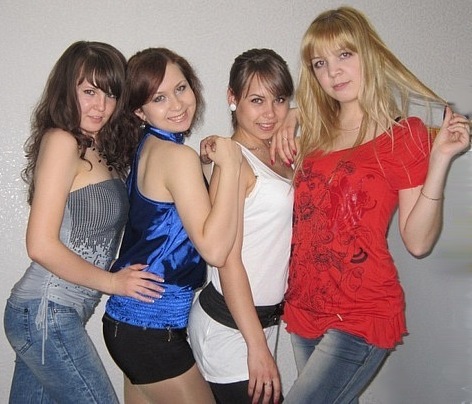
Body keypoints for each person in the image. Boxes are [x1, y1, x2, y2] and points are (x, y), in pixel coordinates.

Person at [270, 7, 471, 404]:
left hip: (362, 311)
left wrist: (440, 161)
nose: (333, 72)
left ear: (368, 53)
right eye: (320, 63)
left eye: (345, 55)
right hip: (304, 306)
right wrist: (291, 114)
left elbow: (418, 242)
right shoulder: (312, 136)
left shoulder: (404, 135)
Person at [3, 41, 165, 404]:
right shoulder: (63, 141)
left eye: (110, 94)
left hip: (52, 314)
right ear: (67, 89)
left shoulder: (99, 148)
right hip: (46, 311)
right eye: (89, 91)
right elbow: (40, 245)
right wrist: (113, 283)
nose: (101, 106)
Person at [102, 47, 242, 404]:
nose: (177, 104)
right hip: (149, 328)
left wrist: (207, 166)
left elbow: (172, 220)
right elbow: (214, 250)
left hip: (129, 323)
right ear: (139, 111)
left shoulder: (149, 147)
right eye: (159, 98)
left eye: (181, 88)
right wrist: (231, 165)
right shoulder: (177, 156)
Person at [189, 48, 294, 404]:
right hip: (230, 330)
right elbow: (228, 261)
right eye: (257, 100)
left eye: (280, 100)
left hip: (258, 323)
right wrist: (257, 346)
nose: (270, 113)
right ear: (232, 98)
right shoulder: (233, 161)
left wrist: (296, 115)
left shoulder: (278, 153)